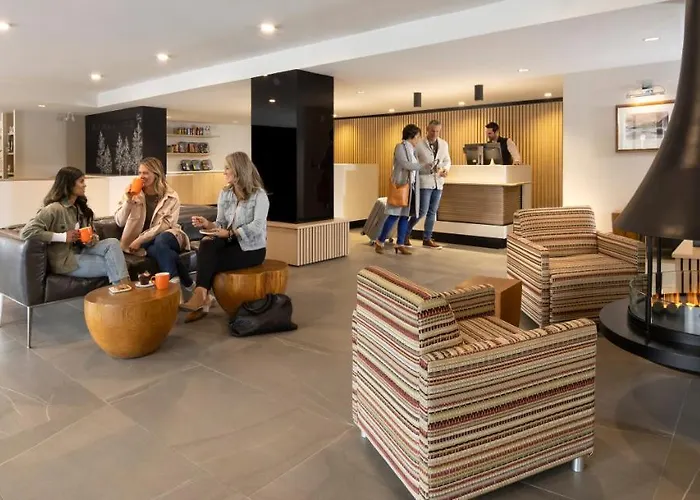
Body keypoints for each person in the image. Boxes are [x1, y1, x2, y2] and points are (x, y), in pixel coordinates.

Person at [181, 152, 268, 315]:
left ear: (238, 170)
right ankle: (202, 295)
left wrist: (230, 234)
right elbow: (220, 223)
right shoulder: (225, 193)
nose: (224, 172)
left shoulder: (259, 195)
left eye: (227, 168)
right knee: (207, 242)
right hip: (230, 242)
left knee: (208, 261)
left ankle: (202, 297)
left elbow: (257, 226)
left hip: (252, 248)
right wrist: (208, 224)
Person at [20, 166, 131, 289]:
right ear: (69, 184)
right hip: (65, 260)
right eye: (81, 181)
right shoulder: (54, 209)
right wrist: (62, 237)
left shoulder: (81, 209)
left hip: (82, 250)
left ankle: (122, 291)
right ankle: (124, 292)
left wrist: (92, 238)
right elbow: (26, 232)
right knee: (116, 265)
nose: (85, 185)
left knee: (113, 243)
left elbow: (92, 235)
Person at [114, 157, 192, 289]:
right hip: (147, 243)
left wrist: (140, 240)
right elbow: (120, 221)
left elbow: (166, 225)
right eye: (140, 173)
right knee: (158, 250)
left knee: (161, 241)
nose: (141, 176)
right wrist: (128, 200)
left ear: (156, 174)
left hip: (169, 235)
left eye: (145, 173)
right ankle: (183, 284)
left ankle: (176, 287)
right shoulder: (133, 194)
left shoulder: (171, 196)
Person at [374, 124, 432, 256]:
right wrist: (422, 166)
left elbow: (414, 167)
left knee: (405, 216)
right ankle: (380, 241)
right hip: (401, 187)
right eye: (418, 136)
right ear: (412, 136)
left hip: (410, 188)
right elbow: (406, 165)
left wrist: (426, 168)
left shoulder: (413, 150)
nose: (419, 139)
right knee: (393, 216)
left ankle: (400, 244)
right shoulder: (400, 147)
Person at [406, 119, 451, 249]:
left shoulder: (444, 144)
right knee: (421, 211)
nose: (434, 134)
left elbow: (447, 160)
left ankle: (427, 238)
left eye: (437, 131)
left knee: (432, 212)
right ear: (427, 129)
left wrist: (445, 169)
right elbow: (413, 164)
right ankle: (405, 234)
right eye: (432, 131)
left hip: (438, 182)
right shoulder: (418, 144)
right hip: (424, 182)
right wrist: (426, 168)